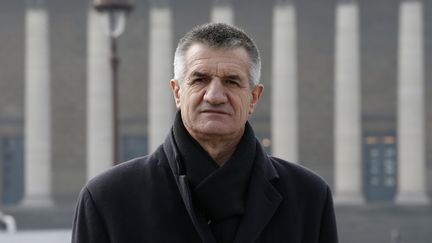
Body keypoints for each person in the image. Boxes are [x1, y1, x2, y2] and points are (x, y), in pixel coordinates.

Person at [72, 23, 338, 243]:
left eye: (231, 82)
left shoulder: (309, 198)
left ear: (254, 97)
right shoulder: (108, 200)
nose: (214, 96)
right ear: (177, 92)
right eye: (199, 79)